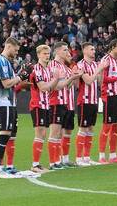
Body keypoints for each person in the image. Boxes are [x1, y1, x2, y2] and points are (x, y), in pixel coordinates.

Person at [0, 36, 23, 179]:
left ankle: (7, 167)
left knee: (9, 134)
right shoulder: (2, 61)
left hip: (9, 102)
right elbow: (7, 84)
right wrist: (21, 76)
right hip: (4, 102)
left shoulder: (6, 62)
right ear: (8, 46)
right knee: (4, 134)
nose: (16, 53)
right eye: (15, 50)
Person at [47, 42, 82, 170]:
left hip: (65, 103)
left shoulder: (65, 67)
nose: (67, 52)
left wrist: (74, 78)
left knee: (60, 134)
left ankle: (59, 161)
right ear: (57, 52)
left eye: (67, 50)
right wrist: (71, 78)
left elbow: (66, 86)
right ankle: (53, 163)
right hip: (55, 102)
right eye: (64, 50)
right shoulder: (53, 65)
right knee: (55, 133)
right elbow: (55, 87)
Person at [28, 44, 60, 173]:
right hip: (37, 105)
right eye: (44, 53)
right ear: (38, 55)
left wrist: (56, 79)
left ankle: (37, 164)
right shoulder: (37, 70)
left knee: (43, 134)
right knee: (40, 133)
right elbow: (43, 87)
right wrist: (56, 78)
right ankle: (35, 164)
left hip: (46, 105)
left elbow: (51, 88)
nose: (47, 56)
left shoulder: (47, 70)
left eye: (48, 53)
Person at [75, 42, 108, 166]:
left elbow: (99, 82)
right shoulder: (80, 65)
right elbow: (88, 81)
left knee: (90, 129)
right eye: (91, 49)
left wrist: (102, 71)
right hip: (84, 100)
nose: (94, 51)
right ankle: (79, 158)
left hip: (94, 100)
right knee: (83, 128)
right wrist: (98, 69)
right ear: (85, 52)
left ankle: (87, 157)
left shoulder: (94, 64)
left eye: (94, 49)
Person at [98, 40, 117, 163]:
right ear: (113, 47)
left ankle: (113, 155)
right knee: (107, 125)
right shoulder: (105, 60)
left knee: (116, 125)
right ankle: (101, 156)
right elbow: (103, 79)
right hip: (108, 96)